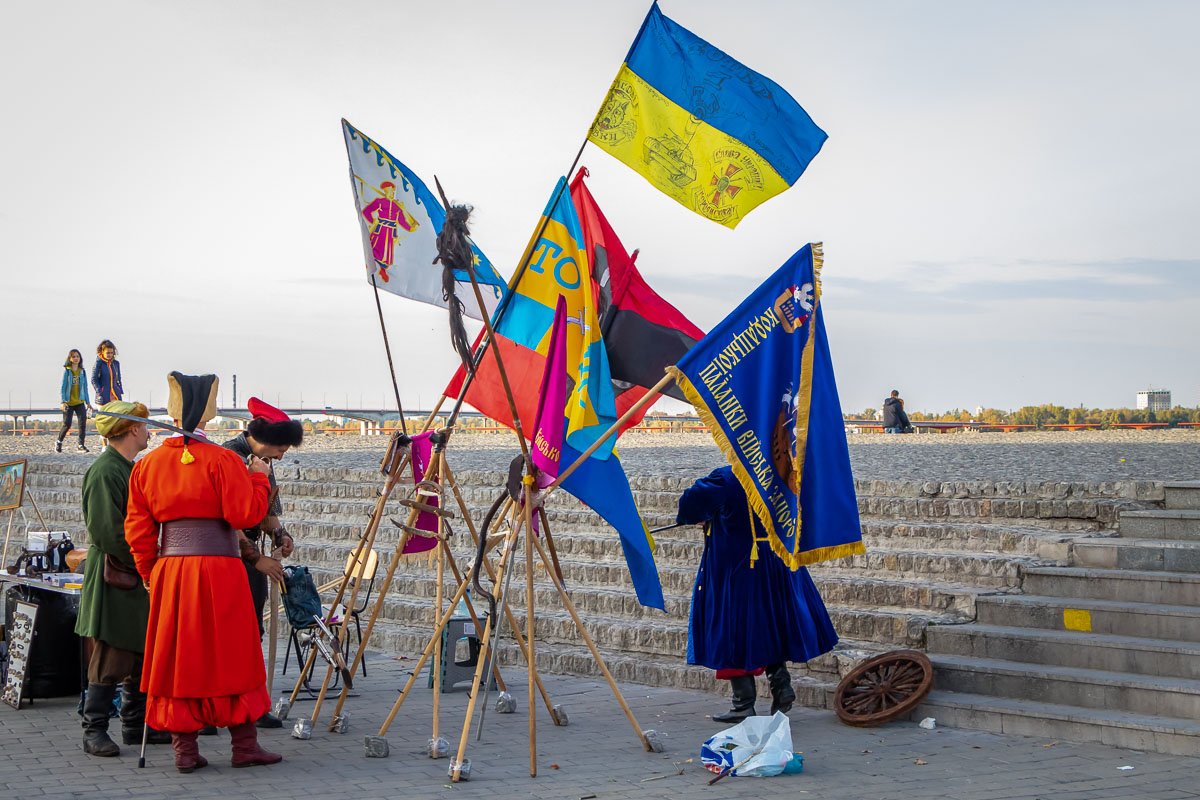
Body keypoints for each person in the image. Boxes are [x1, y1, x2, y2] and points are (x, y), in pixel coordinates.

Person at [125, 372, 283, 773]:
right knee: (234, 652)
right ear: (207, 416)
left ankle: (185, 750)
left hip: (172, 572)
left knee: (182, 656)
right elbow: (243, 514)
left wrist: (149, 574)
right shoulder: (225, 460)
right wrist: (260, 480)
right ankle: (244, 746)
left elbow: (139, 531)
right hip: (221, 571)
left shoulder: (147, 466)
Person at [677, 466, 839, 722]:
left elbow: (690, 504)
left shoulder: (728, 477)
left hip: (740, 566)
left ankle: (743, 704)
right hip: (778, 562)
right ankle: (781, 685)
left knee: (733, 631)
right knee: (769, 626)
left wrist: (704, 515)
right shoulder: (784, 474)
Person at [75, 400, 172, 756]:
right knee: (111, 654)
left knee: (139, 653)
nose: (148, 432)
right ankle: (94, 729)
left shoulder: (126, 468)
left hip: (132, 574)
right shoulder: (105, 471)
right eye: (144, 426)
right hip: (115, 575)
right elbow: (107, 532)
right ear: (132, 429)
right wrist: (145, 562)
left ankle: (134, 725)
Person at [222, 396, 303, 729]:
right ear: (267, 439)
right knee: (231, 636)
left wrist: (280, 533)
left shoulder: (264, 461)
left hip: (250, 552)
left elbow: (265, 512)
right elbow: (228, 519)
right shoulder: (228, 457)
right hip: (229, 555)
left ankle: (251, 706)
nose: (283, 455)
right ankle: (225, 709)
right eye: (281, 447)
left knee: (252, 632)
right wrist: (257, 560)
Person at [58, 349, 94, 453]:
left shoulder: (82, 371)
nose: (76, 358)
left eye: (77, 356)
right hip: (68, 402)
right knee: (67, 424)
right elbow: (63, 387)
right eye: (73, 356)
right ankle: (59, 442)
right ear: (70, 358)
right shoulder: (67, 371)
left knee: (82, 423)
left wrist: (88, 402)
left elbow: (85, 387)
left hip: (79, 402)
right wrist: (63, 401)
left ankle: (80, 445)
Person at [91, 340, 124, 405]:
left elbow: (118, 378)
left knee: (118, 413)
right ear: (102, 352)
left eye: (111, 353)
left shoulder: (116, 363)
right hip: (103, 395)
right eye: (108, 353)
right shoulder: (98, 363)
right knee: (105, 414)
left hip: (115, 395)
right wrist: (99, 391)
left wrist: (120, 389)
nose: (110, 355)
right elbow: (94, 379)